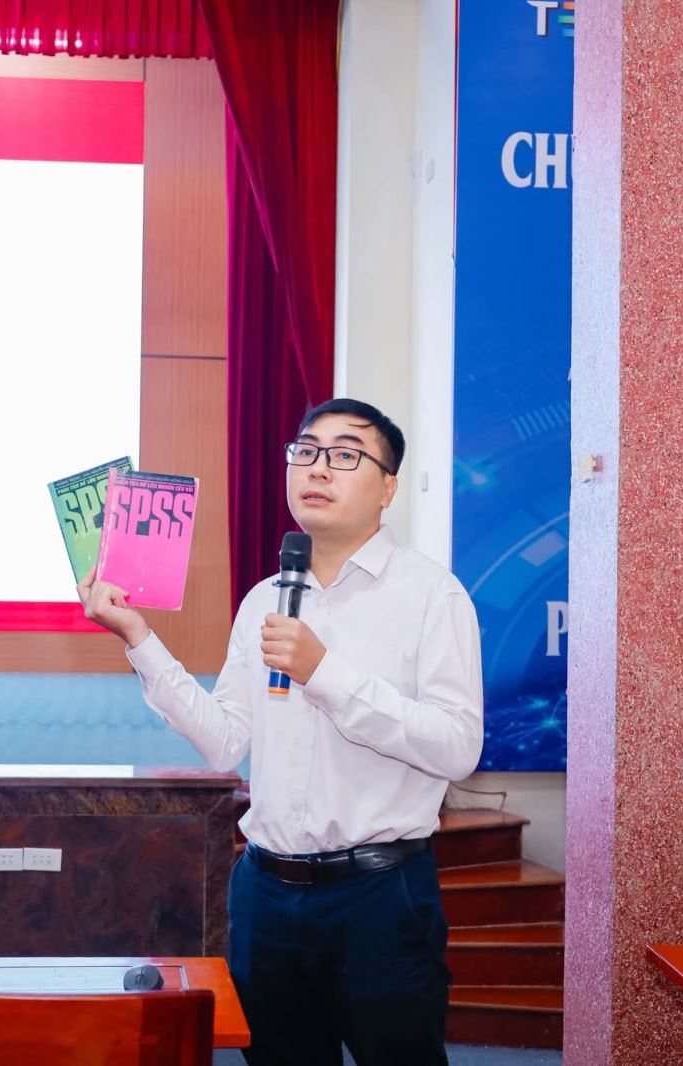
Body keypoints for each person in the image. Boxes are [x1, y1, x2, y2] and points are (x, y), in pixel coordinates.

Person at [79, 398, 484, 1065]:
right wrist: (139, 639)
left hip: (380, 897)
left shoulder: (431, 598)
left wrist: (326, 673)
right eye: (306, 451)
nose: (318, 468)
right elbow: (224, 740)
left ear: (388, 488)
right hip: (267, 893)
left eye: (346, 454)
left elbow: (458, 746)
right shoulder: (265, 598)